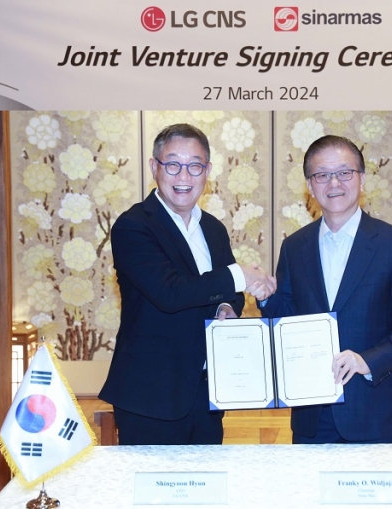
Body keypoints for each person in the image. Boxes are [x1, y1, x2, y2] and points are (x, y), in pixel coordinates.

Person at [99, 123, 276, 445]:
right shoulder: (134, 226)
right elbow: (170, 292)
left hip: (206, 390)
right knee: (150, 492)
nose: (184, 177)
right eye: (173, 165)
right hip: (151, 395)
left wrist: (226, 307)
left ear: (207, 171)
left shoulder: (213, 228)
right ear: (155, 167)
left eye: (194, 166)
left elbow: (225, 292)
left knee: (206, 488)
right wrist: (242, 275)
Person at [259, 135, 392, 444]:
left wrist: (366, 361)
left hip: (376, 413)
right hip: (313, 414)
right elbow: (289, 319)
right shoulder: (294, 247)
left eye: (344, 172)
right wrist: (267, 298)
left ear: (361, 179)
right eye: (322, 174)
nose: (333, 183)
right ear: (310, 186)